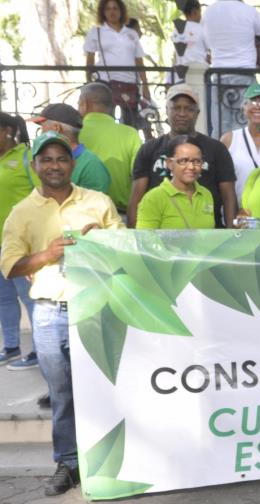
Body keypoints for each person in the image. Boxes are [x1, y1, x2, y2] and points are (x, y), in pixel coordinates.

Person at [1, 132, 123, 496]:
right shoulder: (22, 212)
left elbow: (125, 249)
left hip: (96, 307)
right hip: (49, 314)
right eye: (47, 159)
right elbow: (10, 266)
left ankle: (112, 462)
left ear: (72, 164)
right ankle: (69, 463)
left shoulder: (98, 202)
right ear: (35, 165)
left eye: (62, 159)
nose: (54, 165)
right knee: (62, 393)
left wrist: (103, 239)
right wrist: (47, 254)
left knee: (105, 387)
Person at [128, 84, 237, 229]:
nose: (182, 113)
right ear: (167, 110)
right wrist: (134, 236)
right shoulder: (149, 149)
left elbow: (228, 196)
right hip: (161, 230)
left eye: (189, 109)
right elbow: (136, 197)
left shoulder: (217, 149)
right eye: (176, 108)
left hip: (209, 231)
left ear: (197, 113)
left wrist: (231, 233)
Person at [0, 113, 37, 370]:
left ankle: (39, 349)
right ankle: (11, 346)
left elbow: (42, 195)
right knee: (3, 297)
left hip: (21, 243)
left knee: (30, 297)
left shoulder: (26, 158)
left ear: (7, 131)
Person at [83, 0, 152, 129]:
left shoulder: (131, 34)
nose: (112, 12)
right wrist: (89, 82)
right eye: (108, 9)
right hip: (106, 83)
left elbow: (139, 60)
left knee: (130, 125)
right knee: (105, 123)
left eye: (115, 8)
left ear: (121, 11)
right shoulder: (96, 32)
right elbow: (90, 59)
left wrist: (145, 85)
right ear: (103, 12)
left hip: (130, 83)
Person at [202, 0, 260, 138]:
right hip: (245, 75)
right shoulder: (249, 11)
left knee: (220, 128)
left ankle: (221, 152)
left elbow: (206, 44)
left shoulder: (209, 12)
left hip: (219, 76)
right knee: (245, 127)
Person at [78, 82, 142, 213]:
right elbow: (139, 176)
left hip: (81, 213)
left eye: (78, 104)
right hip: (119, 213)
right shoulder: (130, 134)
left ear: (84, 104)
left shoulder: (74, 132)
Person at [136, 136, 215, 229]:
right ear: (170, 163)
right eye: (183, 161)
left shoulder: (206, 194)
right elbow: (145, 237)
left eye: (197, 161)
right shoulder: (153, 198)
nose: (191, 167)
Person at [30, 104, 111, 195]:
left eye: (42, 128)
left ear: (56, 128)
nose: (41, 134)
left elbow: (95, 202)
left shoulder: (91, 166)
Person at [220, 84, 260, 200]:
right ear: (243, 107)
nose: (258, 106)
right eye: (253, 102)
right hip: (238, 208)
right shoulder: (229, 139)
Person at [172, 0, 208, 82]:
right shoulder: (202, 29)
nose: (200, 16)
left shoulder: (176, 30)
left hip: (181, 77)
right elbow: (209, 49)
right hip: (198, 76)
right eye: (200, 12)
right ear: (194, 12)